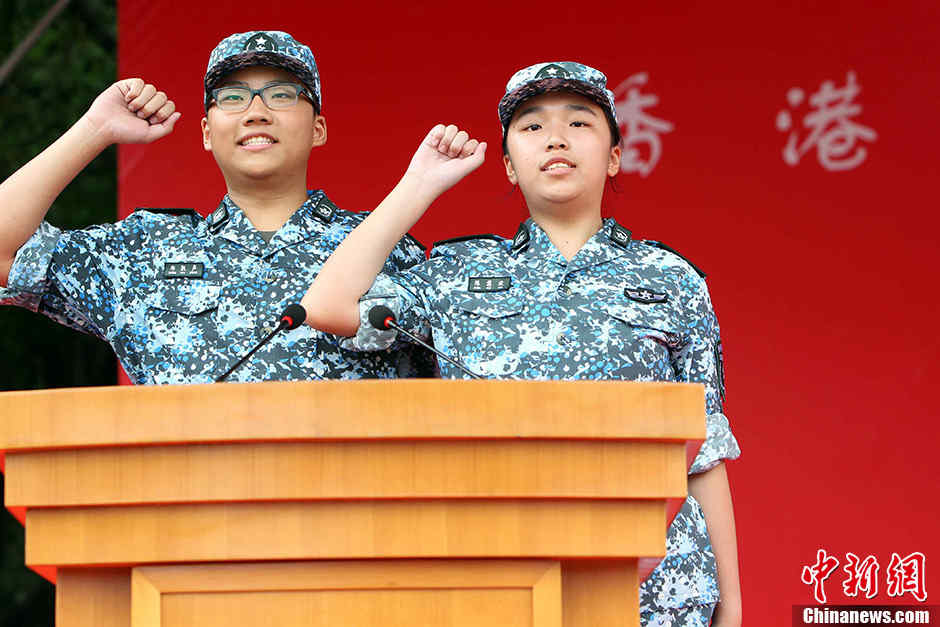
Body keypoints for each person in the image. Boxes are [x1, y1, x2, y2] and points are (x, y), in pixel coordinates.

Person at [300, 61, 742, 625]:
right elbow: (327, 305)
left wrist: (733, 606)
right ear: (508, 165)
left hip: (653, 591)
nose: (555, 137)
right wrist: (420, 184)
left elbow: (703, 452)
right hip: (498, 582)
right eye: (531, 127)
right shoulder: (458, 272)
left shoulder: (672, 280)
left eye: (579, 123)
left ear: (614, 156)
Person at [0, 30, 433, 384]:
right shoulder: (142, 251)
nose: (256, 112)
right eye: (232, 97)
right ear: (207, 132)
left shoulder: (388, 248)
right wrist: (94, 129)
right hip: (189, 489)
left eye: (282, 95)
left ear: (317, 129)